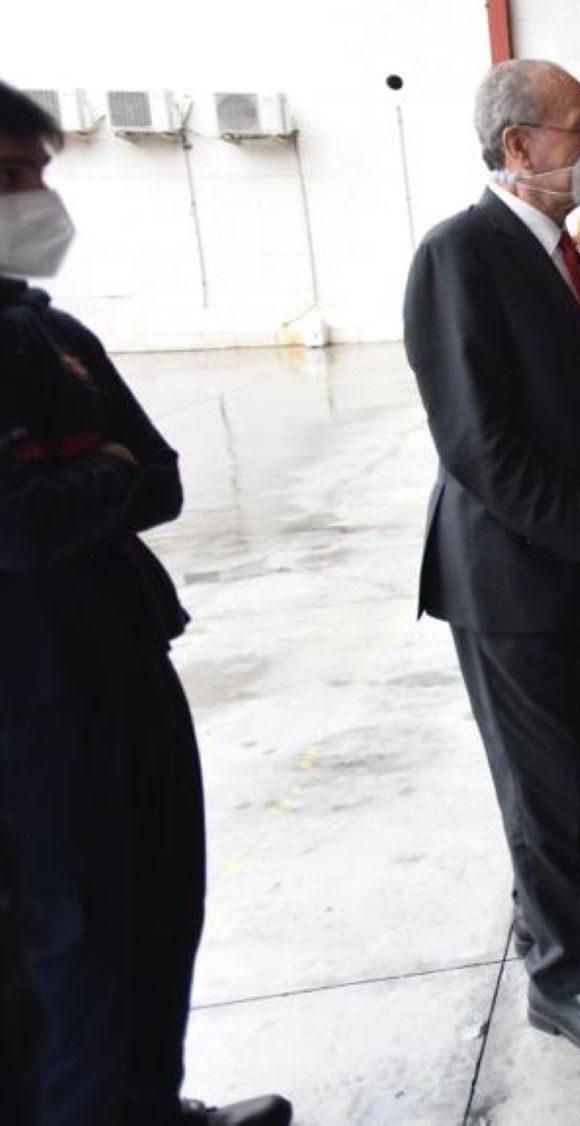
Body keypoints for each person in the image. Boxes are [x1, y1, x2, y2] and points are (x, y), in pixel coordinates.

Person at [0, 81, 291, 1124]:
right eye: (9, 174)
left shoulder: (53, 330)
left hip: (127, 658)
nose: (35, 195)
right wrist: (96, 473)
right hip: (30, 703)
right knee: (64, 938)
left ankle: (148, 1102)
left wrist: (84, 474)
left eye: (39, 170)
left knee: (160, 901)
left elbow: (160, 476)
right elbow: (18, 524)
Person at [403, 59, 580, 1058]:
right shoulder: (460, 255)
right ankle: (561, 978)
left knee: (578, 759)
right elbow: (480, 445)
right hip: (516, 578)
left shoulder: (566, 253)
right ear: (519, 146)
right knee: (542, 782)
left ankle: (568, 908)